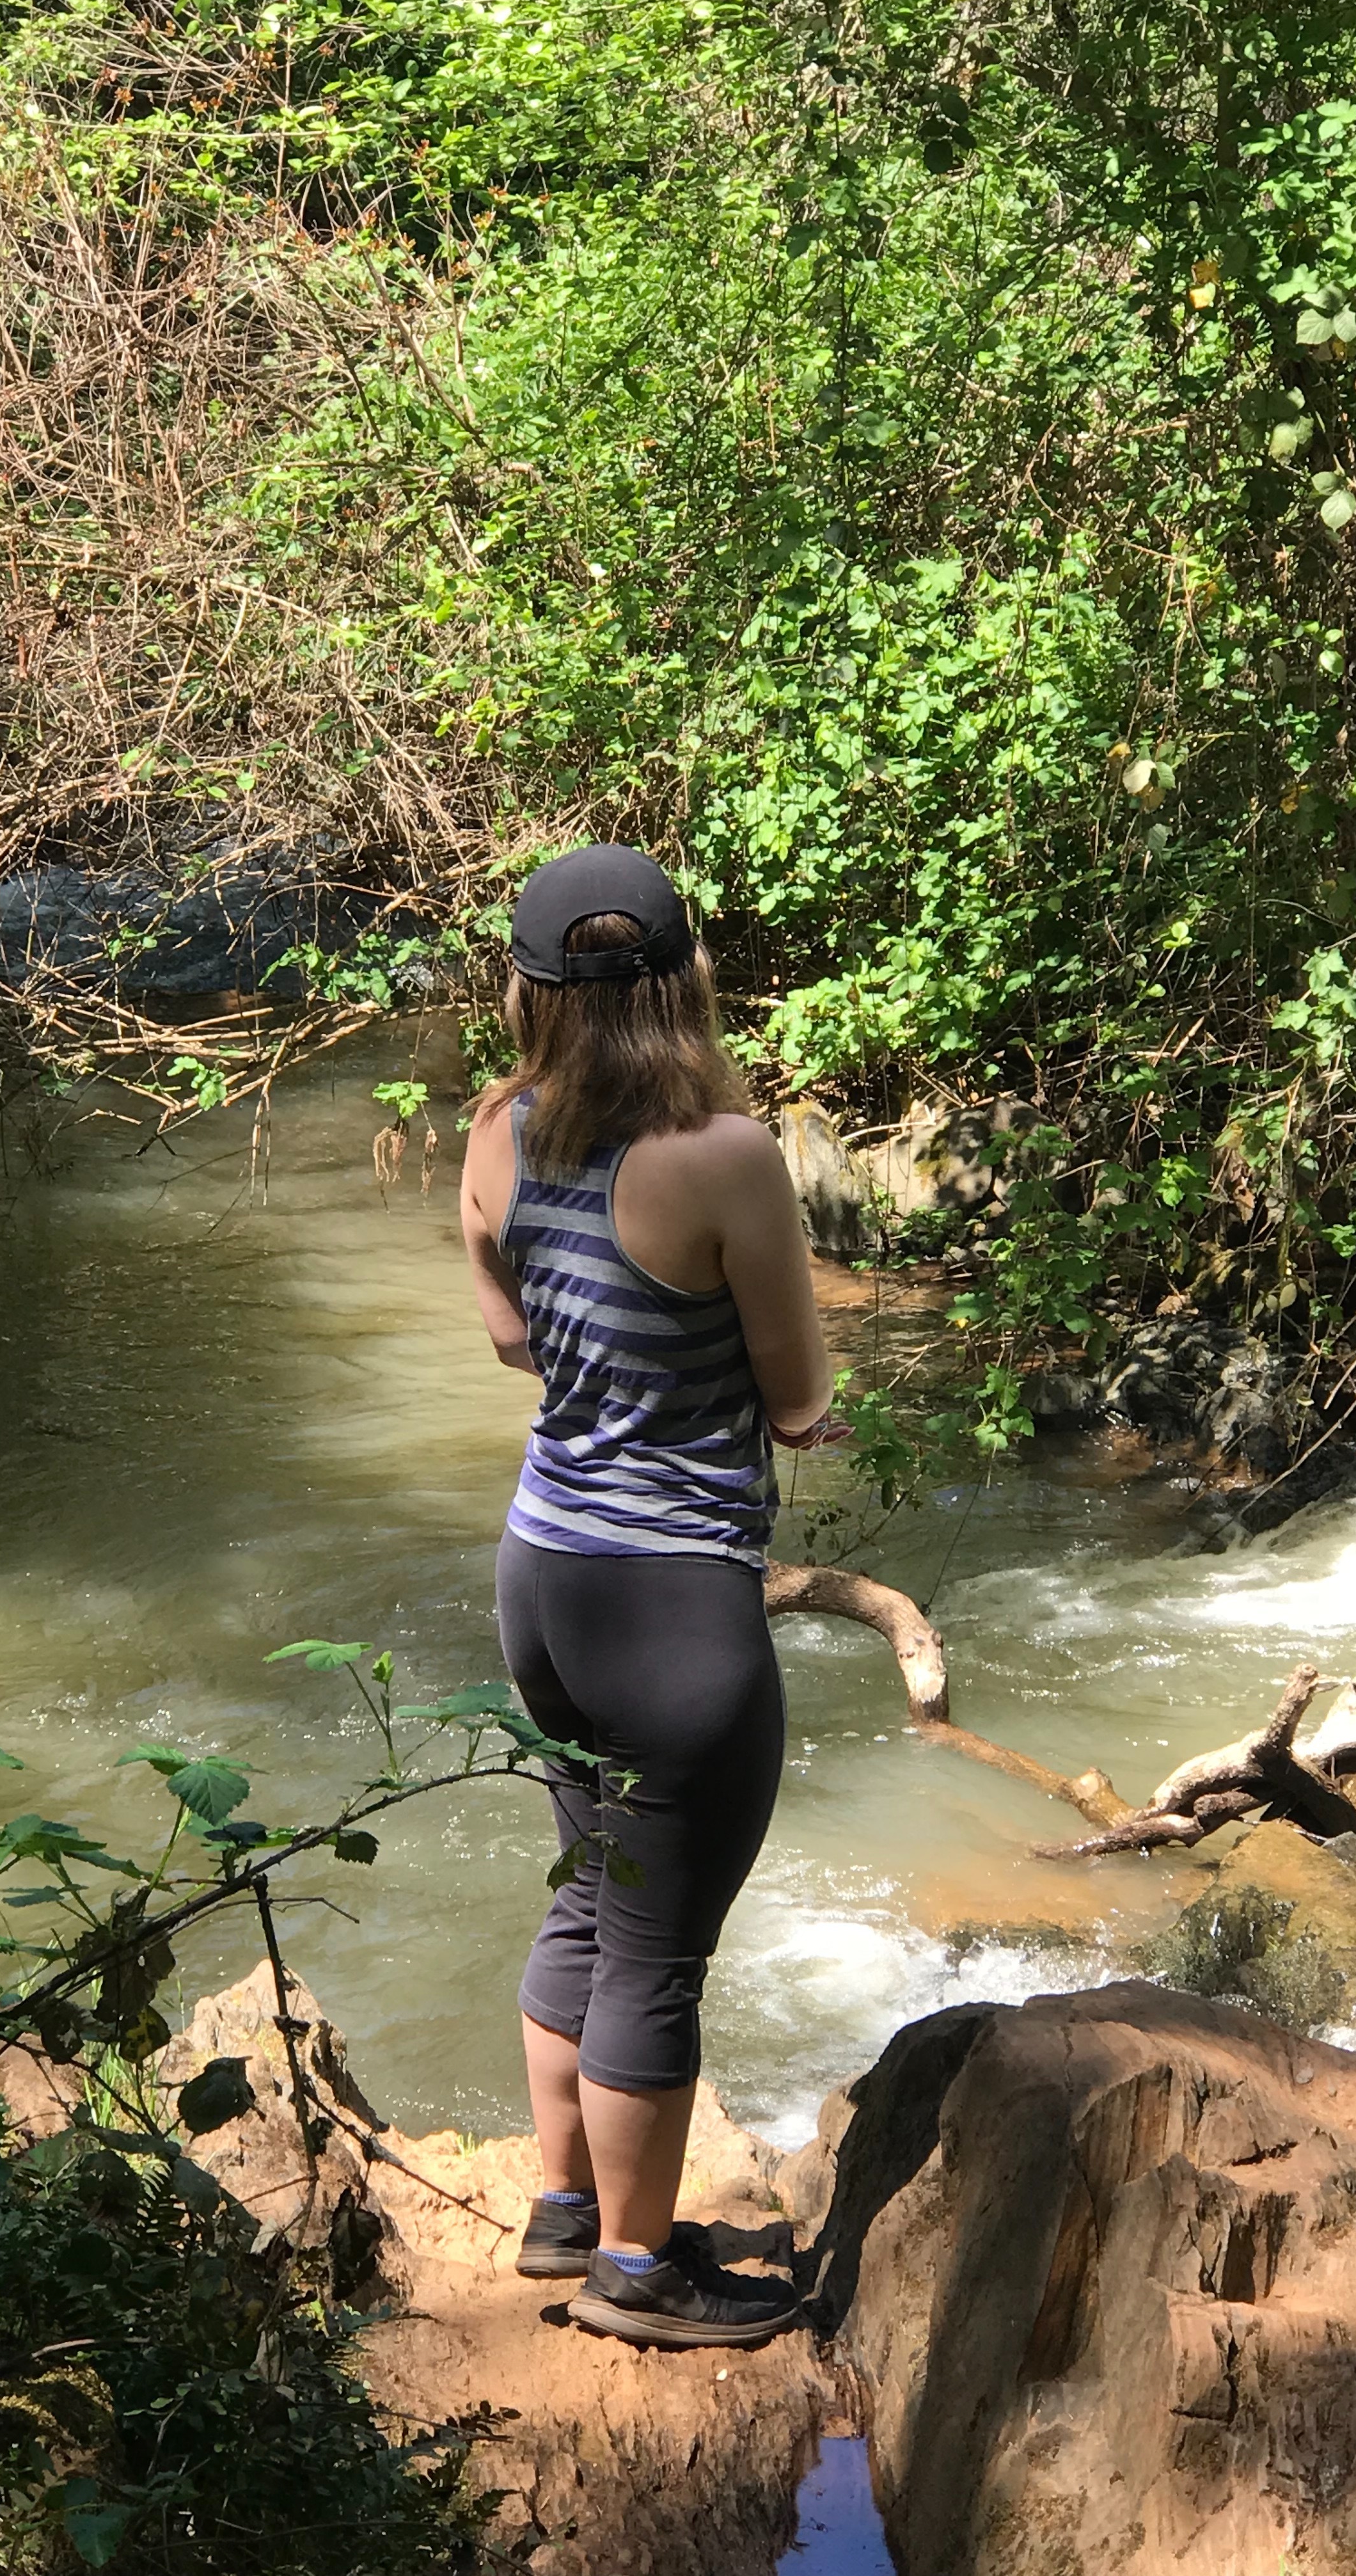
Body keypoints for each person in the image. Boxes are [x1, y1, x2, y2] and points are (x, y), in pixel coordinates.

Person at [459, 842, 837, 2350]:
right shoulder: (727, 1156)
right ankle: (637, 2270)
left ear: (527, 987)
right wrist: (772, 1408)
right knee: (657, 1952)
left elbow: (511, 1342)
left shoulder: (499, 1129)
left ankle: (563, 2212)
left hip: (543, 1574)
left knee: (586, 1899)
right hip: (674, 1602)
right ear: (685, 981)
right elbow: (799, 1396)